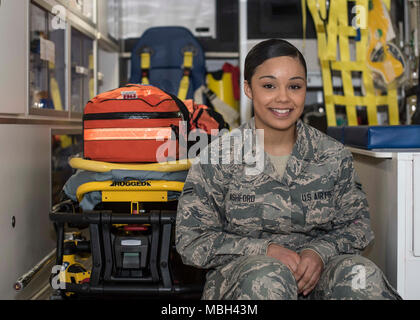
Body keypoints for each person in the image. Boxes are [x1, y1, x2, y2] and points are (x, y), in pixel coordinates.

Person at [175, 39, 401, 300]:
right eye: (269, 85)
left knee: (362, 276)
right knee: (268, 278)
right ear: (249, 89)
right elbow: (192, 241)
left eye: (294, 86)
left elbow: (357, 227)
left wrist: (319, 252)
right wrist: (265, 249)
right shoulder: (218, 157)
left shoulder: (331, 154)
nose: (283, 97)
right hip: (245, 280)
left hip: (318, 275)